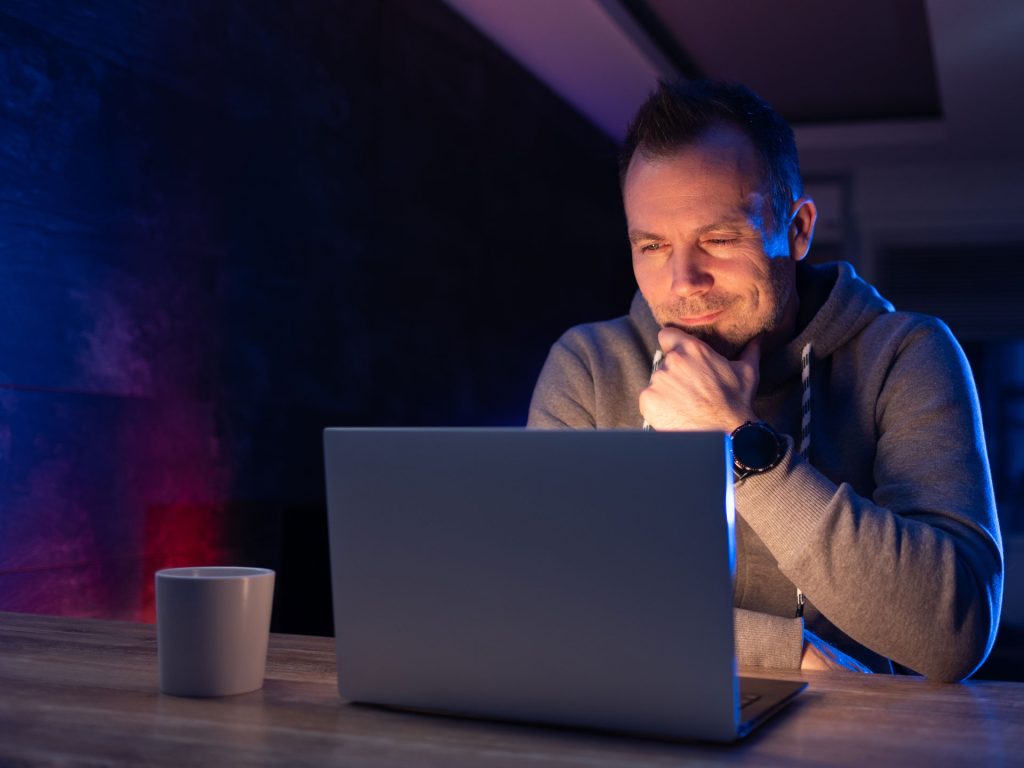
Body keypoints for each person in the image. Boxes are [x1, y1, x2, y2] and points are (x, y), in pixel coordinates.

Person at [528, 80, 1003, 681]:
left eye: (719, 239)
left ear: (798, 230)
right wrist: (785, 654)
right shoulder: (590, 366)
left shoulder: (905, 354)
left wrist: (741, 442)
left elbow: (953, 635)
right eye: (652, 246)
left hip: (846, 738)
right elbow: (549, 601)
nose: (682, 281)